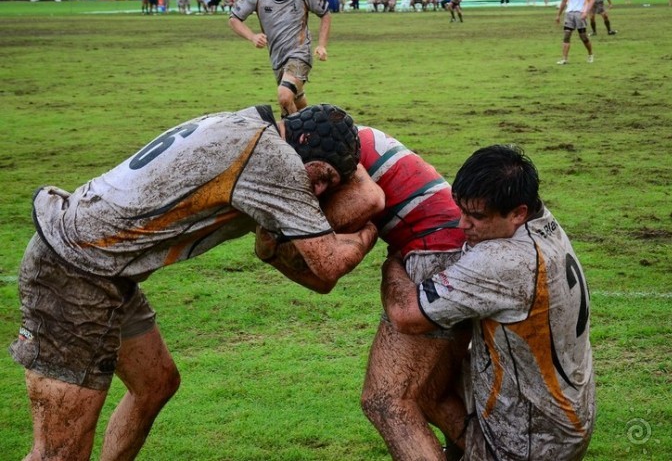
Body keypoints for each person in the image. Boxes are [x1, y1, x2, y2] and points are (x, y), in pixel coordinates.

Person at [8, 104, 378, 461]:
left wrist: (339, 159)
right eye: (322, 175)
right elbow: (327, 266)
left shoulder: (250, 122)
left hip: (106, 269)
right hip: (74, 268)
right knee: (59, 454)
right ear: (304, 140)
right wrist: (367, 235)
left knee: (155, 384)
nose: (316, 190)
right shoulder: (275, 160)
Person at [265, 126, 469, 461]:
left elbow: (365, 204)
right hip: (455, 248)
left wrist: (279, 240)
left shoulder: (338, 153)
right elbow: (323, 277)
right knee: (433, 394)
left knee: (386, 401)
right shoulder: (340, 140)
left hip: (434, 254)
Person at [381, 144, 596, 461]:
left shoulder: (503, 261)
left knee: (392, 398)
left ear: (517, 212)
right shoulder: (542, 222)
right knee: (431, 386)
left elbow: (406, 314)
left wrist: (393, 262)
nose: (462, 225)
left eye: (476, 217)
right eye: (462, 211)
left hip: (528, 441)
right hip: (567, 416)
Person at [229, 0, 332, 118]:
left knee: (284, 96)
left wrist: (321, 45)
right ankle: (312, 130)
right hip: (277, 58)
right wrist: (252, 37)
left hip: (300, 55)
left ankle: (292, 138)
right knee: (296, 100)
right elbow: (234, 19)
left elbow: (325, 14)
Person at [555, 0, 594, 65]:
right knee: (566, 35)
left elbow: (592, 0)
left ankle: (590, 54)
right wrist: (558, 15)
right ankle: (564, 59)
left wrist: (586, 12)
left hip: (580, 13)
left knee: (583, 37)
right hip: (569, 13)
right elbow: (564, 1)